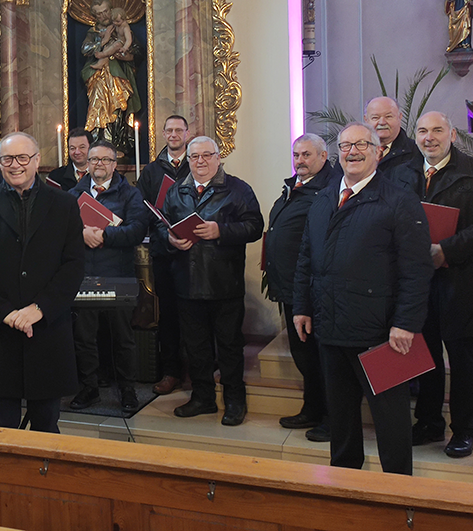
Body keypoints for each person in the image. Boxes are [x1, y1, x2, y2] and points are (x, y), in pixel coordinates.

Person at [292, 123, 433, 475]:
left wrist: (406, 323)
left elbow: (416, 270)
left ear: (378, 152)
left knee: (391, 421)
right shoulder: (324, 196)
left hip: (381, 332)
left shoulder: (399, 200)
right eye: (345, 145)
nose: (352, 151)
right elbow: (307, 257)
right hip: (330, 326)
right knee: (340, 418)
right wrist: (302, 306)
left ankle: (398, 494)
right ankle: (345, 486)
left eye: (361, 145)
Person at [389, 112, 473, 458]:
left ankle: (465, 429)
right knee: (425, 356)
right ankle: (428, 422)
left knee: (463, 360)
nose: (429, 137)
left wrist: (445, 250)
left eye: (437, 130)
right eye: (422, 131)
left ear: (452, 134)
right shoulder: (401, 173)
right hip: (416, 283)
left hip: (460, 280)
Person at [0, 132, 85, 433]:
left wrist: (39, 308)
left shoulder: (64, 204)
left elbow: (73, 266)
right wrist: (6, 313)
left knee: (46, 423)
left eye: (22, 158)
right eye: (7, 159)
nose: (15, 165)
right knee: (2, 424)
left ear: (37, 160)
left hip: (46, 328)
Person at [159, 136, 263, 426]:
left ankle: (234, 401)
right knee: (195, 347)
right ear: (188, 160)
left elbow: (255, 226)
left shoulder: (239, 189)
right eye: (195, 157)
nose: (201, 161)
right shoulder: (176, 191)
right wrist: (169, 238)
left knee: (229, 347)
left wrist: (221, 231)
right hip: (187, 282)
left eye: (207, 155)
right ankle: (202, 397)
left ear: (219, 158)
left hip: (224, 284)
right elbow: (161, 223)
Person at [263, 133, 334, 443]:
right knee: (303, 354)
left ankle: (333, 417)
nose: (300, 160)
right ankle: (312, 407)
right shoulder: (294, 187)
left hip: (314, 288)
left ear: (323, 156)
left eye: (307, 154)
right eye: (296, 155)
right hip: (290, 285)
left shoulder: (329, 189)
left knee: (321, 356)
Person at [68, 140, 148, 413]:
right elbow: (59, 231)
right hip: (83, 275)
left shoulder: (130, 195)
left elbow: (137, 230)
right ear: (86, 164)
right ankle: (88, 388)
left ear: (115, 164)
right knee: (84, 337)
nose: (98, 164)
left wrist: (104, 235)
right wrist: (80, 234)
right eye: (93, 160)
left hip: (118, 275)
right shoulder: (73, 194)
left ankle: (127, 389)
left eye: (104, 160)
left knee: (122, 338)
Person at [137, 115, 191, 396]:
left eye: (178, 130)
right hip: (163, 250)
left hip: (194, 253)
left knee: (193, 313)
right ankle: (170, 371)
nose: (173, 134)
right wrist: (164, 229)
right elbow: (142, 206)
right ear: (163, 133)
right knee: (167, 314)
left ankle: (196, 369)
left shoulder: (197, 162)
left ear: (187, 133)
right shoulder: (151, 171)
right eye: (168, 130)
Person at [81, 0, 141, 145]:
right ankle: (97, 140)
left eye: (106, 11)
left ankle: (117, 142)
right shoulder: (93, 32)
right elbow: (85, 49)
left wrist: (125, 54)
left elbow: (137, 51)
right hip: (98, 78)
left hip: (119, 75)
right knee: (99, 104)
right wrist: (103, 40)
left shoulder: (123, 29)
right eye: (99, 14)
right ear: (94, 16)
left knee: (119, 103)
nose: (104, 16)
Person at [364, 96, 420, 173]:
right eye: (375, 118)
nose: (382, 122)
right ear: (366, 120)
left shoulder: (417, 152)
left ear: (399, 117)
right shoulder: (355, 150)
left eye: (388, 117)